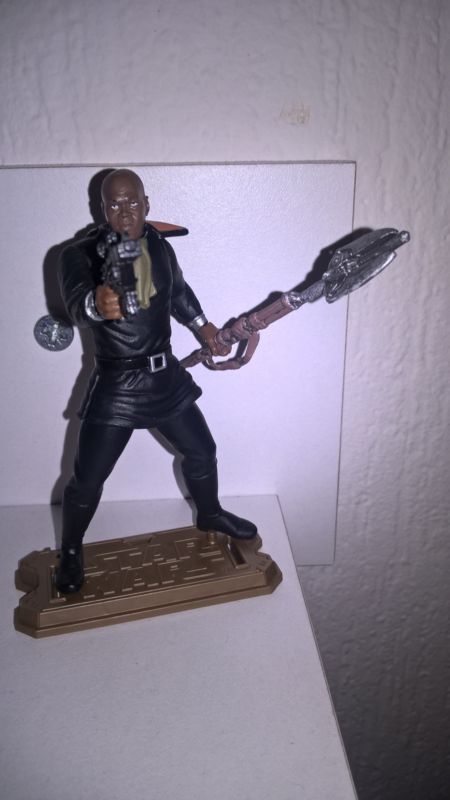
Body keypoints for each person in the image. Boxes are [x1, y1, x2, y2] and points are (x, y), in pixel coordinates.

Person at [55, 168, 257, 594]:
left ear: (146, 204)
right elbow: (74, 307)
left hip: (165, 377)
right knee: (88, 479)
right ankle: (70, 549)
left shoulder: (159, 245)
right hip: (117, 384)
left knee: (202, 451)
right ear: (101, 209)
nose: (125, 212)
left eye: (133, 202)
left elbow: (178, 292)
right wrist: (95, 305)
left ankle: (209, 513)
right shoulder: (80, 254)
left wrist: (203, 327)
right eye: (114, 204)